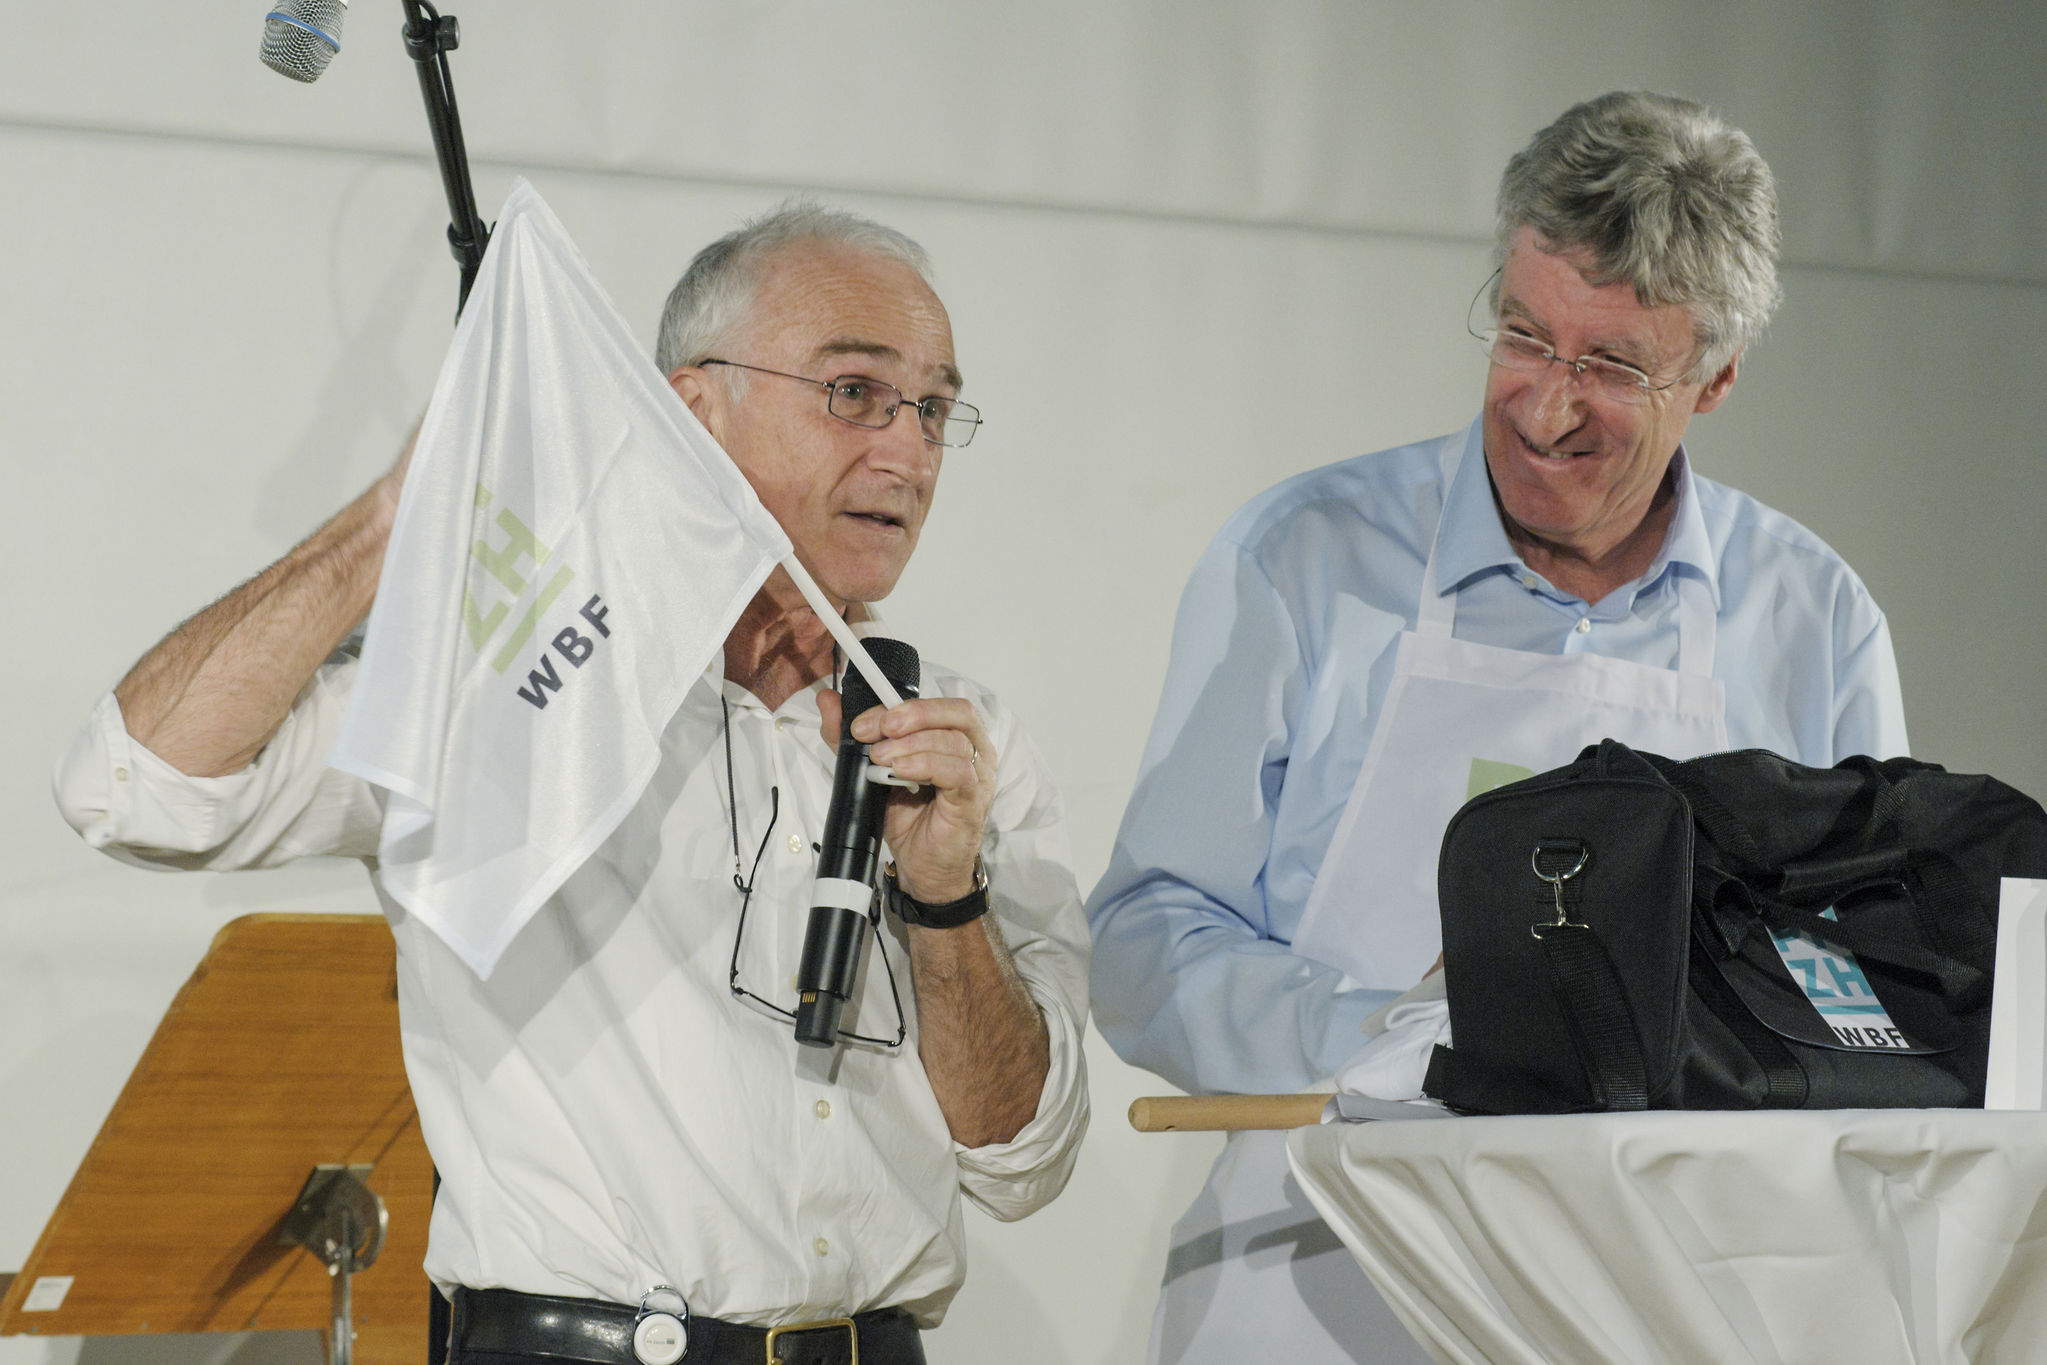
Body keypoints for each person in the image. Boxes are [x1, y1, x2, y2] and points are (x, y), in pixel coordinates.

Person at [55, 202, 1091, 1365]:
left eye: (935, 409)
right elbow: (132, 785)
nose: (905, 451)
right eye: (854, 391)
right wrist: (401, 517)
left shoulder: (966, 745)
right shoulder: (518, 687)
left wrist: (945, 900)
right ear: (691, 411)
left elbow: (1021, 1158)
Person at [1087, 90, 1909, 1363]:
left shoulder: (1813, 622)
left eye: (1613, 366)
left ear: (1718, 376)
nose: (1544, 407)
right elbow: (1145, 938)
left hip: (1654, 1306)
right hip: (1312, 1291)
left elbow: (1860, 992)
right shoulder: (1303, 559)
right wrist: (1390, 1043)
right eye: (1524, 335)